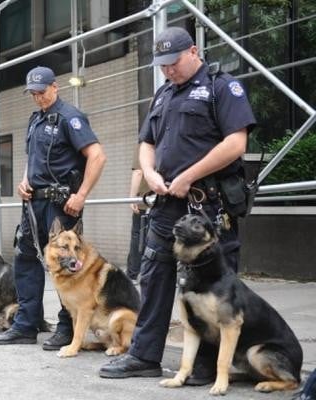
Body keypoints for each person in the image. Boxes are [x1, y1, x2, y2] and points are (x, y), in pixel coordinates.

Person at [98, 27, 256, 382]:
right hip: (166, 203)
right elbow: (147, 142)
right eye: (162, 65)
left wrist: (189, 176)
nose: (168, 70)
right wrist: (150, 172)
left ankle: (207, 365)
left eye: (173, 62)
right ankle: (143, 355)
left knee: (214, 287)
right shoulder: (164, 94)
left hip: (207, 206)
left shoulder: (221, 87)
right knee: (154, 277)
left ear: (194, 51)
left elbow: (236, 143)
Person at [0, 66, 106, 346]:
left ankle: (66, 329)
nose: (38, 97)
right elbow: (34, 159)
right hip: (33, 203)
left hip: (61, 204)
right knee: (26, 258)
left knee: (69, 263)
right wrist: (23, 181)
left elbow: (97, 156)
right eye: (33, 93)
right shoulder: (35, 120)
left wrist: (81, 195)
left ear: (55, 87)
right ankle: (26, 325)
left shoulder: (71, 117)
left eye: (41, 92)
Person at [126, 147, 150, 282]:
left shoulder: (144, 144)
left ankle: (133, 274)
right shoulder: (168, 137)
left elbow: (138, 172)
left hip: (144, 201)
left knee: (138, 236)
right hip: (165, 201)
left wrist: (132, 197)